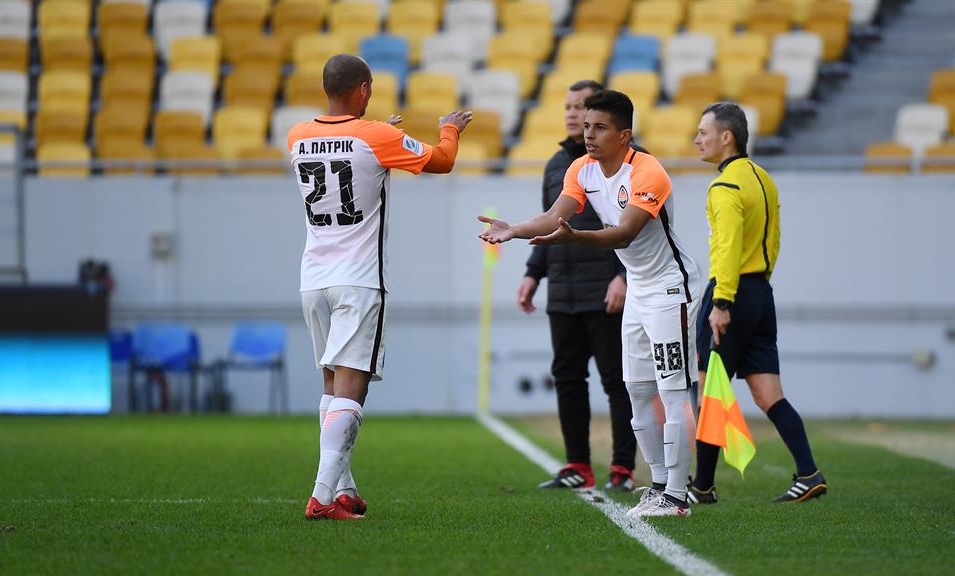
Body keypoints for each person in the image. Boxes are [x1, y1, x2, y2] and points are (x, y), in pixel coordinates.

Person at [479, 90, 702, 518]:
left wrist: (575, 236)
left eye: (599, 127)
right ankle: (658, 486)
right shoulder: (581, 168)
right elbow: (553, 217)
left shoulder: (648, 171)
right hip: (638, 290)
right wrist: (515, 229)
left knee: (672, 390)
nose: (588, 135)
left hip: (670, 289)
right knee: (637, 390)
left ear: (625, 135)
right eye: (586, 126)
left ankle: (677, 496)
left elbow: (625, 233)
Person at [289, 54, 472, 520]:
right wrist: (449, 128)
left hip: (313, 279)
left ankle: (343, 488)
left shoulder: (298, 135)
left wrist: (381, 136)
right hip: (358, 279)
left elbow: (351, 153)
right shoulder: (376, 137)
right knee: (352, 389)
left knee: (332, 384)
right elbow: (443, 161)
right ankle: (321, 497)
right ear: (364, 89)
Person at [687, 102, 827, 505]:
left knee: (710, 389)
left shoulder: (725, 186)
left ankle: (702, 487)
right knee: (769, 394)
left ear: (726, 137)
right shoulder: (764, 179)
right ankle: (809, 472)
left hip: (730, 295)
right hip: (761, 294)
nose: (697, 140)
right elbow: (774, 240)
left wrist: (722, 302)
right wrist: (754, 289)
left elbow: (727, 248)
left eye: (703, 132)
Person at [518, 80, 637, 492]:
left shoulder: (629, 164)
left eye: (581, 108)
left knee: (617, 381)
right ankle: (577, 466)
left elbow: (639, 229)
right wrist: (533, 273)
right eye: (568, 107)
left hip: (605, 290)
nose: (573, 115)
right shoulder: (557, 165)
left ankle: (623, 468)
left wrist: (623, 277)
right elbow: (549, 222)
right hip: (563, 292)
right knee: (567, 379)